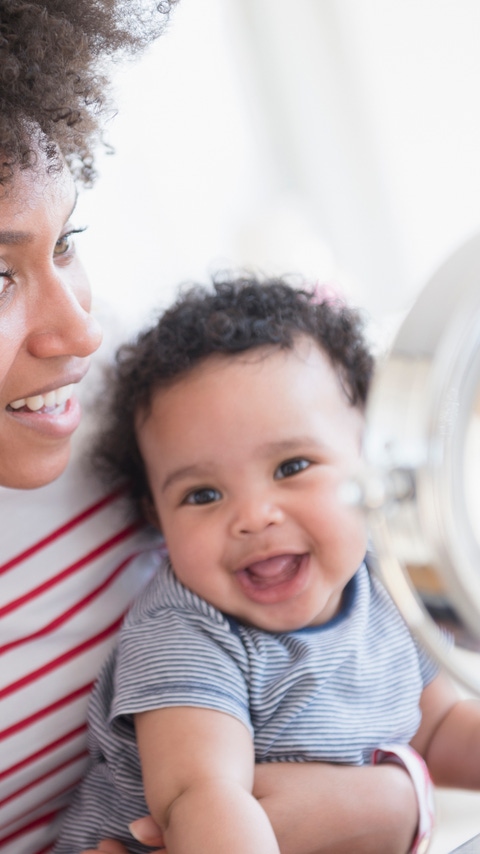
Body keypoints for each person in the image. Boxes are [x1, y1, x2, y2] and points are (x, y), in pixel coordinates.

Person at [0, 4, 431, 854]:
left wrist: (390, 802)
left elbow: (395, 722)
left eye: (69, 240)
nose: (79, 335)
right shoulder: (178, 634)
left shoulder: (134, 403)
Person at [53, 275, 480, 854]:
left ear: (370, 455)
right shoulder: (185, 634)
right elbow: (202, 798)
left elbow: (436, 728)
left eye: (292, 466)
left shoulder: (380, 579)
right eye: (202, 495)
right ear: (157, 516)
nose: (253, 517)